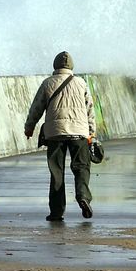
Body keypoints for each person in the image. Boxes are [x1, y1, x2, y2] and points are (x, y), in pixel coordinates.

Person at [23, 51, 96, 221]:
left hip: (55, 133)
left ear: (55, 66)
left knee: (57, 172)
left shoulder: (48, 83)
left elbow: (37, 108)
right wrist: (91, 132)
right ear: (71, 66)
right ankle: (83, 196)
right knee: (81, 167)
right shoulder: (81, 83)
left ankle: (56, 212)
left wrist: (29, 127)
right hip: (79, 132)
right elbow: (90, 109)